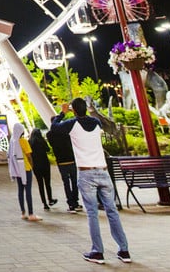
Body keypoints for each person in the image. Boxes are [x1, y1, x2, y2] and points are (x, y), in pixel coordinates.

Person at [52, 98, 131, 265]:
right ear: (86, 108)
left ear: (73, 110)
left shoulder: (71, 124)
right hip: (103, 171)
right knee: (112, 212)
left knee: (92, 213)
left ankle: (98, 251)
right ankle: (124, 250)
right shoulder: (96, 123)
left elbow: (54, 128)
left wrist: (62, 112)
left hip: (86, 172)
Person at [46, 107, 81, 212]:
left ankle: (70, 204)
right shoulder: (65, 133)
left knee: (66, 183)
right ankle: (76, 201)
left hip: (61, 162)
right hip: (71, 159)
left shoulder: (49, 135)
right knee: (75, 182)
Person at [8, 122, 40, 221]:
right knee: (28, 191)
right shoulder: (23, 141)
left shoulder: (12, 141)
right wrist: (32, 166)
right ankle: (31, 214)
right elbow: (29, 155)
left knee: (20, 190)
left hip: (17, 170)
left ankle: (23, 212)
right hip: (25, 168)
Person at [29, 126, 57, 210]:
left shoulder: (29, 142)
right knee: (47, 183)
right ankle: (50, 199)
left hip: (36, 166)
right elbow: (48, 149)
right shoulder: (42, 141)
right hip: (45, 164)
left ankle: (44, 203)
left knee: (40, 184)